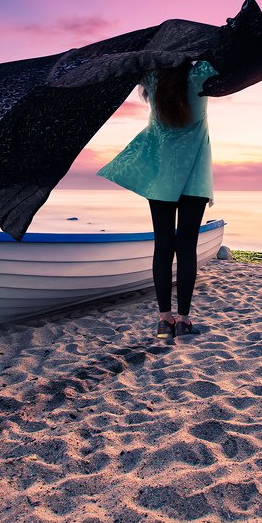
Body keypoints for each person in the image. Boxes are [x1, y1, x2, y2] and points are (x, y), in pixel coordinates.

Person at [96, 59, 219, 340]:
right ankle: (185, 321)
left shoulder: (154, 79)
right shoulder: (200, 74)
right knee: (186, 248)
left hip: (161, 181)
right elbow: (226, 65)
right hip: (195, 180)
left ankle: (165, 321)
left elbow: (130, 68)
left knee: (163, 246)